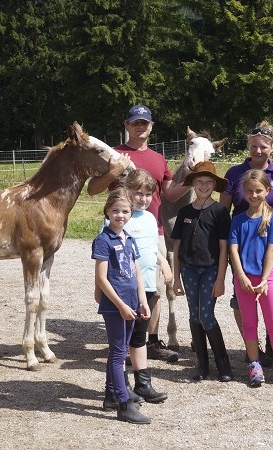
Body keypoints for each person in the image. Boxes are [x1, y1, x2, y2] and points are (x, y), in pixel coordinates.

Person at [87, 104, 186, 363]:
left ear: (151, 127)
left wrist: (193, 172)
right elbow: (93, 189)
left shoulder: (158, 158)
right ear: (126, 125)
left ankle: (150, 341)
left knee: (152, 289)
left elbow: (172, 194)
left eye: (144, 123)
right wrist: (113, 170)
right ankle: (122, 340)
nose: (140, 127)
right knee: (123, 284)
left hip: (153, 230)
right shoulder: (114, 154)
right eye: (135, 122)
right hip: (121, 230)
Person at [220, 121, 273, 364]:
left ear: (272, 147)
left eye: (263, 147)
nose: (258, 151)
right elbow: (222, 209)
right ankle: (254, 352)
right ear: (248, 146)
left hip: (270, 240)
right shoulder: (234, 173)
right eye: (253, 146)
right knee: (242, 299)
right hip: (242, 240)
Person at [228, 169, 273, 389]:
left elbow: (272, 251)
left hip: (268, 278)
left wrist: (264, 279)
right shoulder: (237, 220)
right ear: (243, 192)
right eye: (249, 191)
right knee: (249, 323)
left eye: (258, 191)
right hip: (244, 278)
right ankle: (254, 364)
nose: (254, 195)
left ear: (267, 190)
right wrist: (241, 276)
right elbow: (233, 250)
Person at [92, 189, 151, 424]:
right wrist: (120, 306)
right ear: (107, 211)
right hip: (115, 306)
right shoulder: (103, 240)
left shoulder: (129, 238)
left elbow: (137, 272)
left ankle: (110, 395)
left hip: (132, 303)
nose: (120, 215)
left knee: (121, 349)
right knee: (118, 354)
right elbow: (102, 279)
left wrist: (142, 301)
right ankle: (124, 404)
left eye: (125, 211)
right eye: (115, 210)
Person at [171, 161, 233, 382]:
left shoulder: (220, 212)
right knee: (194, 316)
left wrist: (221, 278)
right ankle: (202, 365)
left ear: (214, 185)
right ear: (193, 184)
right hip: (188, 270)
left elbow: (225, 247)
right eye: (199, 182)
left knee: (206, 316)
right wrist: (175, 278)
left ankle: (223, 364)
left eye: (208, 182)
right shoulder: (184, 211)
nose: (204, 186)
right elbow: (177, 247)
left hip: (210, 270)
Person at [120, 170, 170, 403]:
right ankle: (120, 386)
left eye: (148, 194)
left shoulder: (150, 218)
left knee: (140, 335)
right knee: (122, 338)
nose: (143, 198)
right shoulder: (121, 218)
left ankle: (143, 383)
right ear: (126, 192)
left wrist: (164, 263)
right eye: (137, 193)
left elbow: (152, 247)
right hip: (127, 289)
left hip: (148, 286)